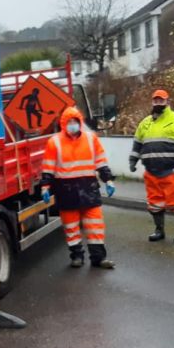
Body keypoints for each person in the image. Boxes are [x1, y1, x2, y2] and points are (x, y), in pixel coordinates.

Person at [41, 106, 117, 269]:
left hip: (88, 189)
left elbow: (101, 162)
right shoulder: (54, 142)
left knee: (95, 226)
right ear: (63, 124)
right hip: (66, 191)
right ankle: (77, 257)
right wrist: (45, 187)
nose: (72, 125)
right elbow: (48, 168)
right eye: (69, 122)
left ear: (80, 122)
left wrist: (108, 180)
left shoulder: (91, 139)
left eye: (75, 121)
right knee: (71, 228)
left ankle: (98, 258)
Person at [129, 89, 174, 244]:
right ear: (152, 102)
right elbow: (137, 144)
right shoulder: (145, 123)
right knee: (154, 205)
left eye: (161, 100)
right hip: (151, 172)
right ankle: (159, 230)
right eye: (156, 100)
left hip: (173, 171)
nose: (158, 103)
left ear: (167, 102)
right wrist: (133, 160)